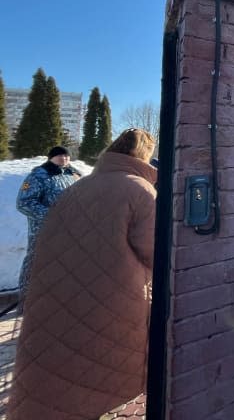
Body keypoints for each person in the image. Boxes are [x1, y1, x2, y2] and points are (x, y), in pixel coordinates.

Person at [8, 129, 158, 420]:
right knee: (98, 375)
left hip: (61, 295)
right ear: (143, 154)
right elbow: (155, 252)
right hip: (113, 299)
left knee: (60, 377)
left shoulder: (78, 184)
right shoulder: (140, 190)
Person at [15, 145, 81, 305]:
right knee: (36, 263)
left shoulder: (75, 174)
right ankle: (26, 301)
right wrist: (52, 216)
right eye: (59, 156)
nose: (64, 159)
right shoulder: (38, 176)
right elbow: (24, 203)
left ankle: (58, 300)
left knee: (65, 264)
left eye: (66, 156)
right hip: (44, 231)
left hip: (69, 231)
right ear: (51, 157)